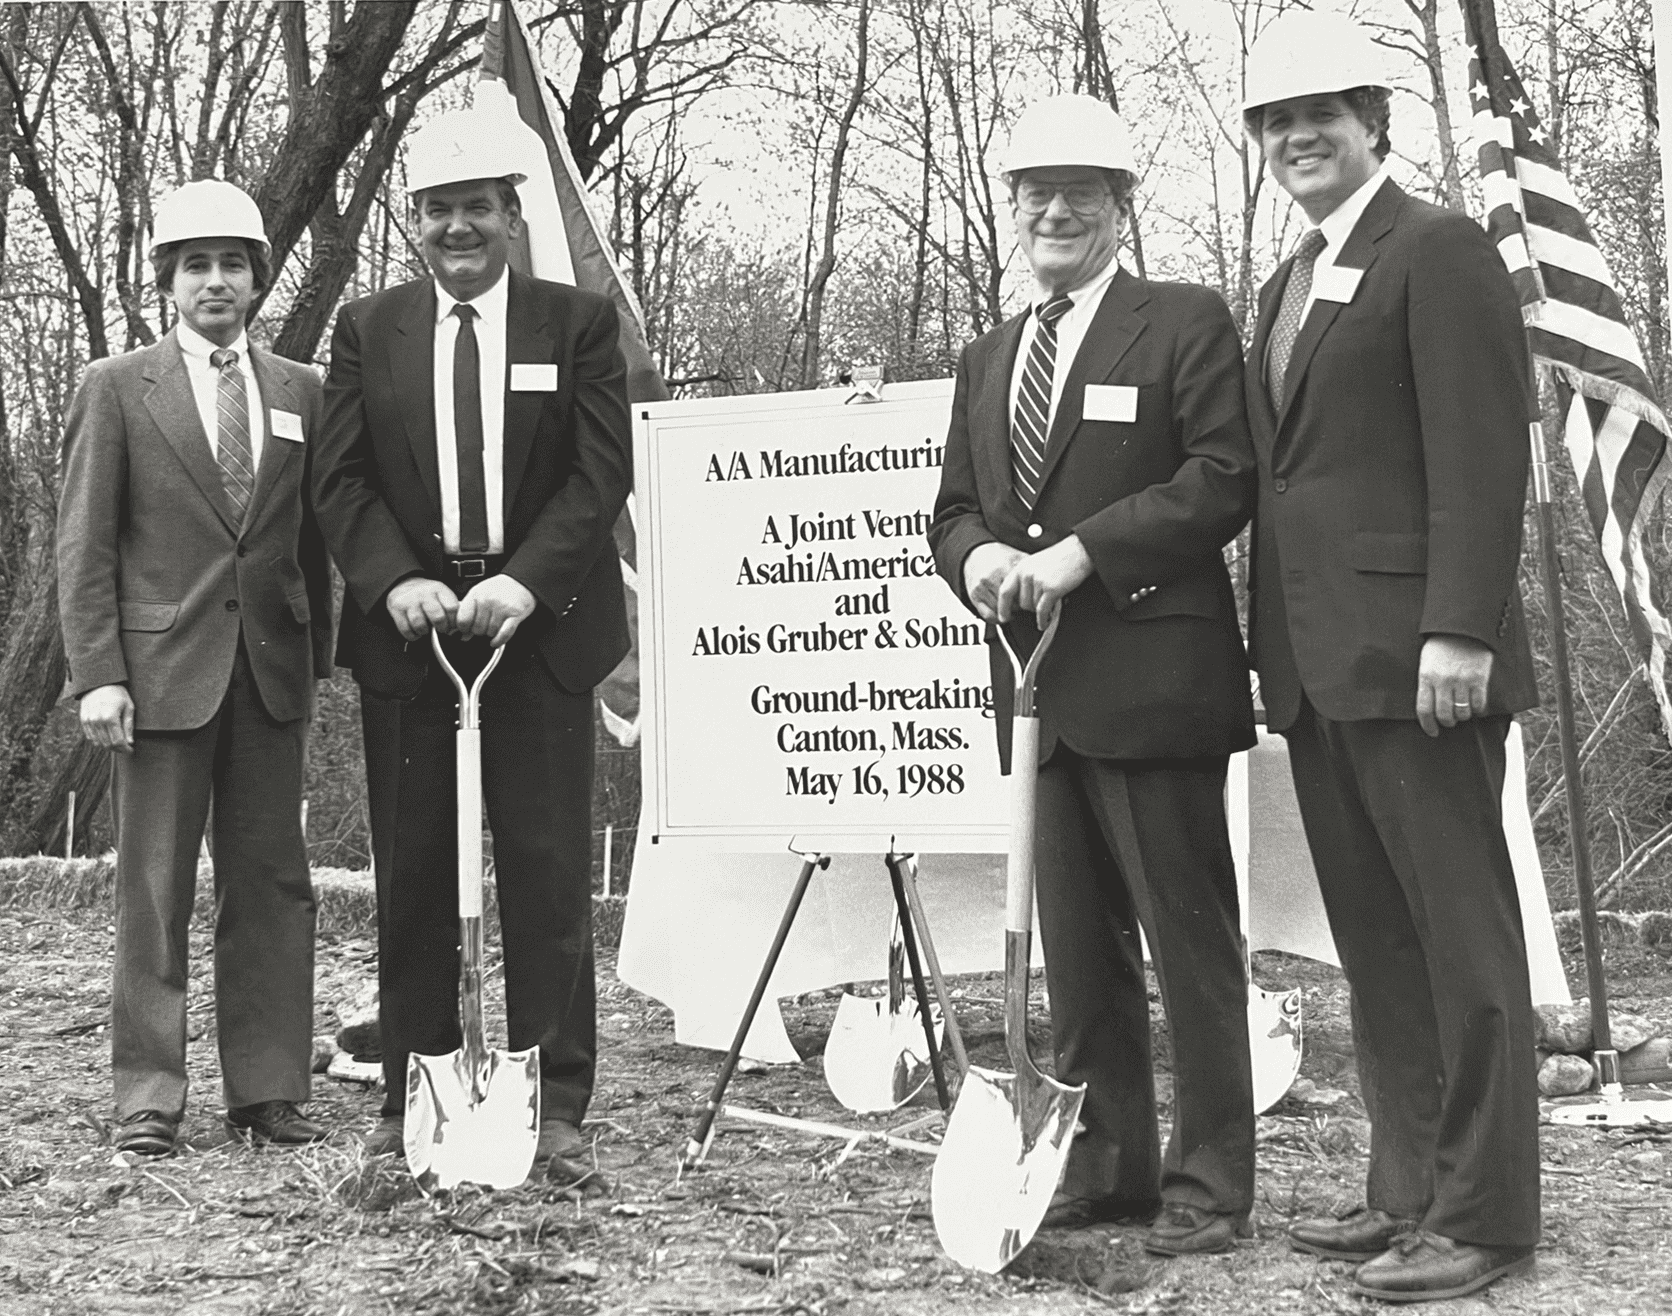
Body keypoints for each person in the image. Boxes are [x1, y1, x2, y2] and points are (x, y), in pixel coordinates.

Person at [1240, 12, 1541, 1302]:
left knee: (1462, 945)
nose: (1297, 135)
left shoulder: (1439, 249)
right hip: (1318, 673)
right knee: (1376, 946)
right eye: (1274, 120)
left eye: (1323, 113)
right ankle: (1405, 1188)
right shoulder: (1284, 282)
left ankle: (1485, 1216)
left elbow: (1482, 448)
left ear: (1376, 123)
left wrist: (1459, 626)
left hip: (1424, 664)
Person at [928, 94, 1259, 1257]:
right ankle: (1109, 1164)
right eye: (1035, 194)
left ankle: (1211, 1183)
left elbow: (1223, 475)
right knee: (1078, 955)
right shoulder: (984, 354)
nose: (1055, 211)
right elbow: (956, 509)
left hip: (1155, 683)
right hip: (1037, 697)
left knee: (1191, 946)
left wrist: (1081, 551)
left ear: (1122, 209)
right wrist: (976, 563)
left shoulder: (1180, 322)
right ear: (1011, 212)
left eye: (1081, 193)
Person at [313, 108, 632, 1171]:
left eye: (477, 207)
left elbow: (598, 476)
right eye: (439, 209)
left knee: (544, 874)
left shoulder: (575, 323)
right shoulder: (369, 329)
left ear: (511, 212)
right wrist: (393, 577)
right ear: (415, 219)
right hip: (413, 637)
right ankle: (418, 1087)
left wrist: (523, 582)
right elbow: (341, 478)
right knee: (412, 877)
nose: (459, 226)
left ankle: (559, 1105)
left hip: (535, 634)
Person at [56, 180, 334, 1156]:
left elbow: (313, 541)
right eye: (196, 265)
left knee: (271, 885)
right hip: (158, 675)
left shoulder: (301, 388)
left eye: (233, 265)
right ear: (167, 280)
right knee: (154, 887)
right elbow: (84, 543)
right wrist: (98, 671)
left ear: (259, 279)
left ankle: (267, 1091)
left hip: (269, 675)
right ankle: (148, 1096)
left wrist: (317, 657)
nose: (216, 281)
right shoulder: (114, 386)